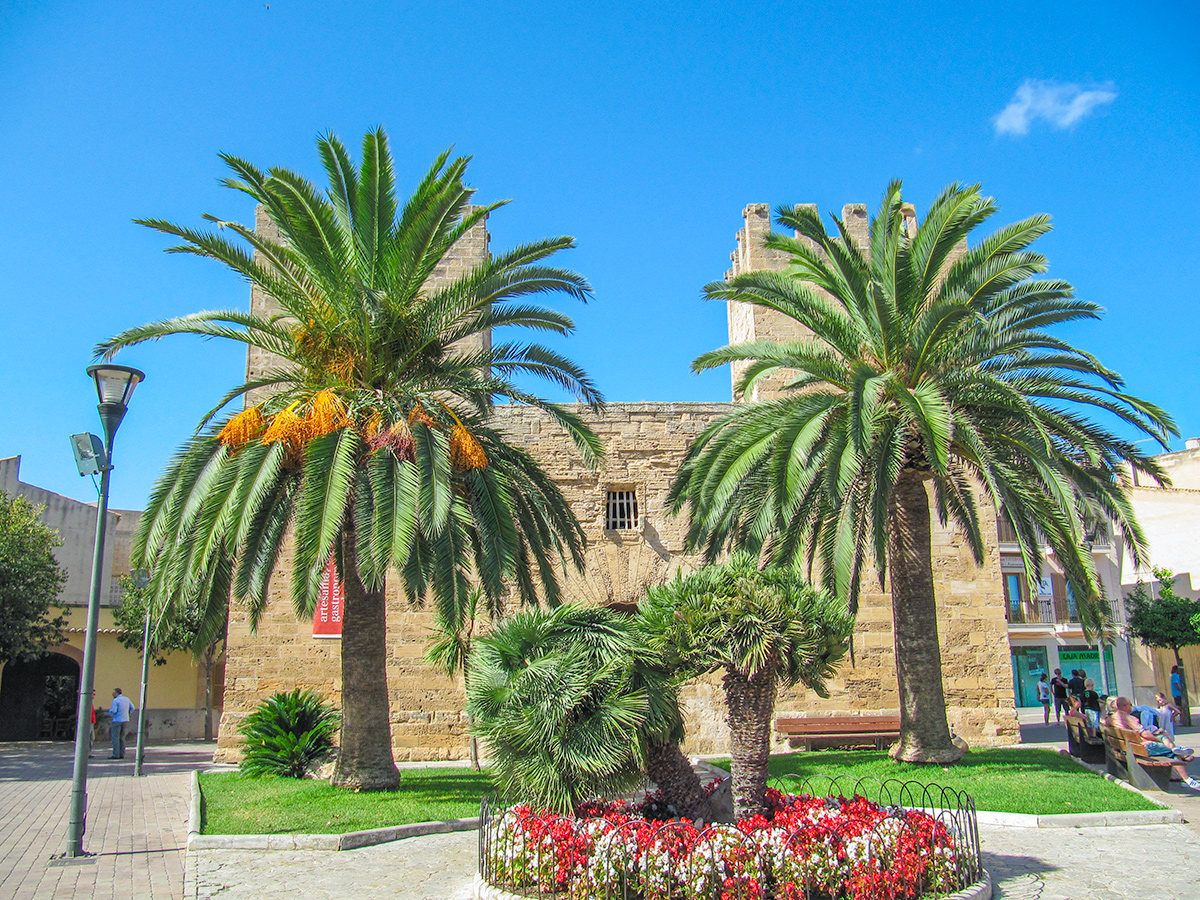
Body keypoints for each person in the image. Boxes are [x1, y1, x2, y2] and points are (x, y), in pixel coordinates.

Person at [1111, 697, 1199, 789]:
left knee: (1163, 738)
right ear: (1124, 706)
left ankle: (1179, 758)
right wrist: (1158, 740)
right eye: (1130, 705)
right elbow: (1145, 734)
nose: (1131, 707)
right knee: (1172, 752)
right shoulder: (1129, 718)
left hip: (1127, 748)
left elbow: (1104, 722)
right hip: (1141, 748)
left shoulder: (1113, 718)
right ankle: (1186, 779)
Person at [107, 688, 135, 760]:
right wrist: (128, 713)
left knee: (115, 737)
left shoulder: (115, 700)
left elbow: (114, 710)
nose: (112, 694)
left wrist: (109, 712)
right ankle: (122, 753)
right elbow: (132, 708)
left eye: (113, 692)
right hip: (125, 719)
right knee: (122, 737)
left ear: (116, 693)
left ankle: (116, 754)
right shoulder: (126, 699)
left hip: (117, 720)